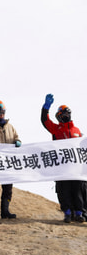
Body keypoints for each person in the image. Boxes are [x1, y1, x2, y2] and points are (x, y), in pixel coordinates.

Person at [41, 93, 85, 223]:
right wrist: (46, 107)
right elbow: (45, 120)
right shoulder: (56, 129)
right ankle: (67, 213)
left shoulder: (77, 131)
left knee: (78, 190)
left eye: (67, 113)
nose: (65, 116)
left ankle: (79, 213)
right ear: (59, 116)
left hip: (76, 168)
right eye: (63, 114)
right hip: (62, 167)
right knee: (64, 190)